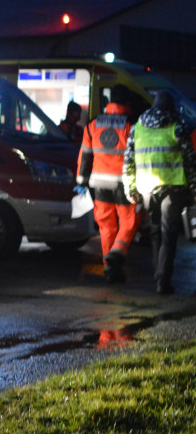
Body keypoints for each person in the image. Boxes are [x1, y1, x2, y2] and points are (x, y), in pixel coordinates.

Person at [122, 91, 196, 295]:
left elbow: (128, 161)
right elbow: (190, 163)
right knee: (168, 234)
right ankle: (163, 280)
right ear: (171, 108)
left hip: (146, 189)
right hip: (172, 188)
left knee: (155, 233)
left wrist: (130, 188)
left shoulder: (137, 128)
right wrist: (194, 189)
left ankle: (159, 274)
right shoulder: (178, 128)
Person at [76, 84, 138, 283]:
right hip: (123, 183)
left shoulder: (93, 124)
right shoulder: (131, 124)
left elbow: (84, 156)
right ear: (126, 102)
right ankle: (117, 253)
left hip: (99, 183)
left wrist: (81, 182)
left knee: (106, 226)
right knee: (129, 220)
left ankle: (109, 269)